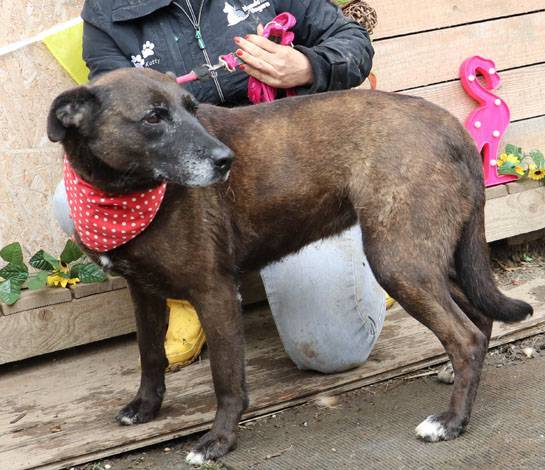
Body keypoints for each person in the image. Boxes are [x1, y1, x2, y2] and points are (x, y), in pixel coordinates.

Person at [53, 0, 386, 374]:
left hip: (296, 177)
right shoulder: (107, 9)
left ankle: (371, 266)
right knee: (70, 200)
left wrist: (308, 66)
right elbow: (114, 122)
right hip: (193, 177)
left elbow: (353, 43)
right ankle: (184, 290)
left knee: (332, 350)